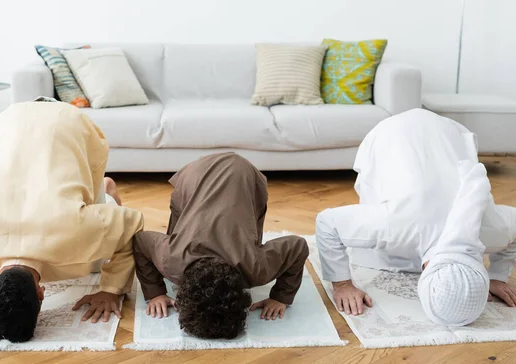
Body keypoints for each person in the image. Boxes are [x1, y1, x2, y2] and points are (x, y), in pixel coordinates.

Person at [0, 100, 143, 342]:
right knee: (91, 251)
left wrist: (111, 290)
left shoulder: (75, 233)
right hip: (9, 118)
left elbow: (132, 223)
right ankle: (103, 191)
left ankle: (104, 192)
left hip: (66, 121)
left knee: (93, 263)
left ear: (40, 293)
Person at [316, 109, 516, 326]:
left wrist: (496, 277)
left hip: (446, 135)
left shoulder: (494, 230)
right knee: (380, 205)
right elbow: (327, 223)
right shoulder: (396, 225)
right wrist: (342, 284)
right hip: (394, 133)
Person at [133, 153, 309, 339]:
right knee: (181, 228)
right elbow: (140, 241)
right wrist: (155, 292)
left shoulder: (256, 268)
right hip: (197, 175)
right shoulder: (170, 260)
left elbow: (298, 247)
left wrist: (280, 297)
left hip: (239, 174)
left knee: (241, 223)